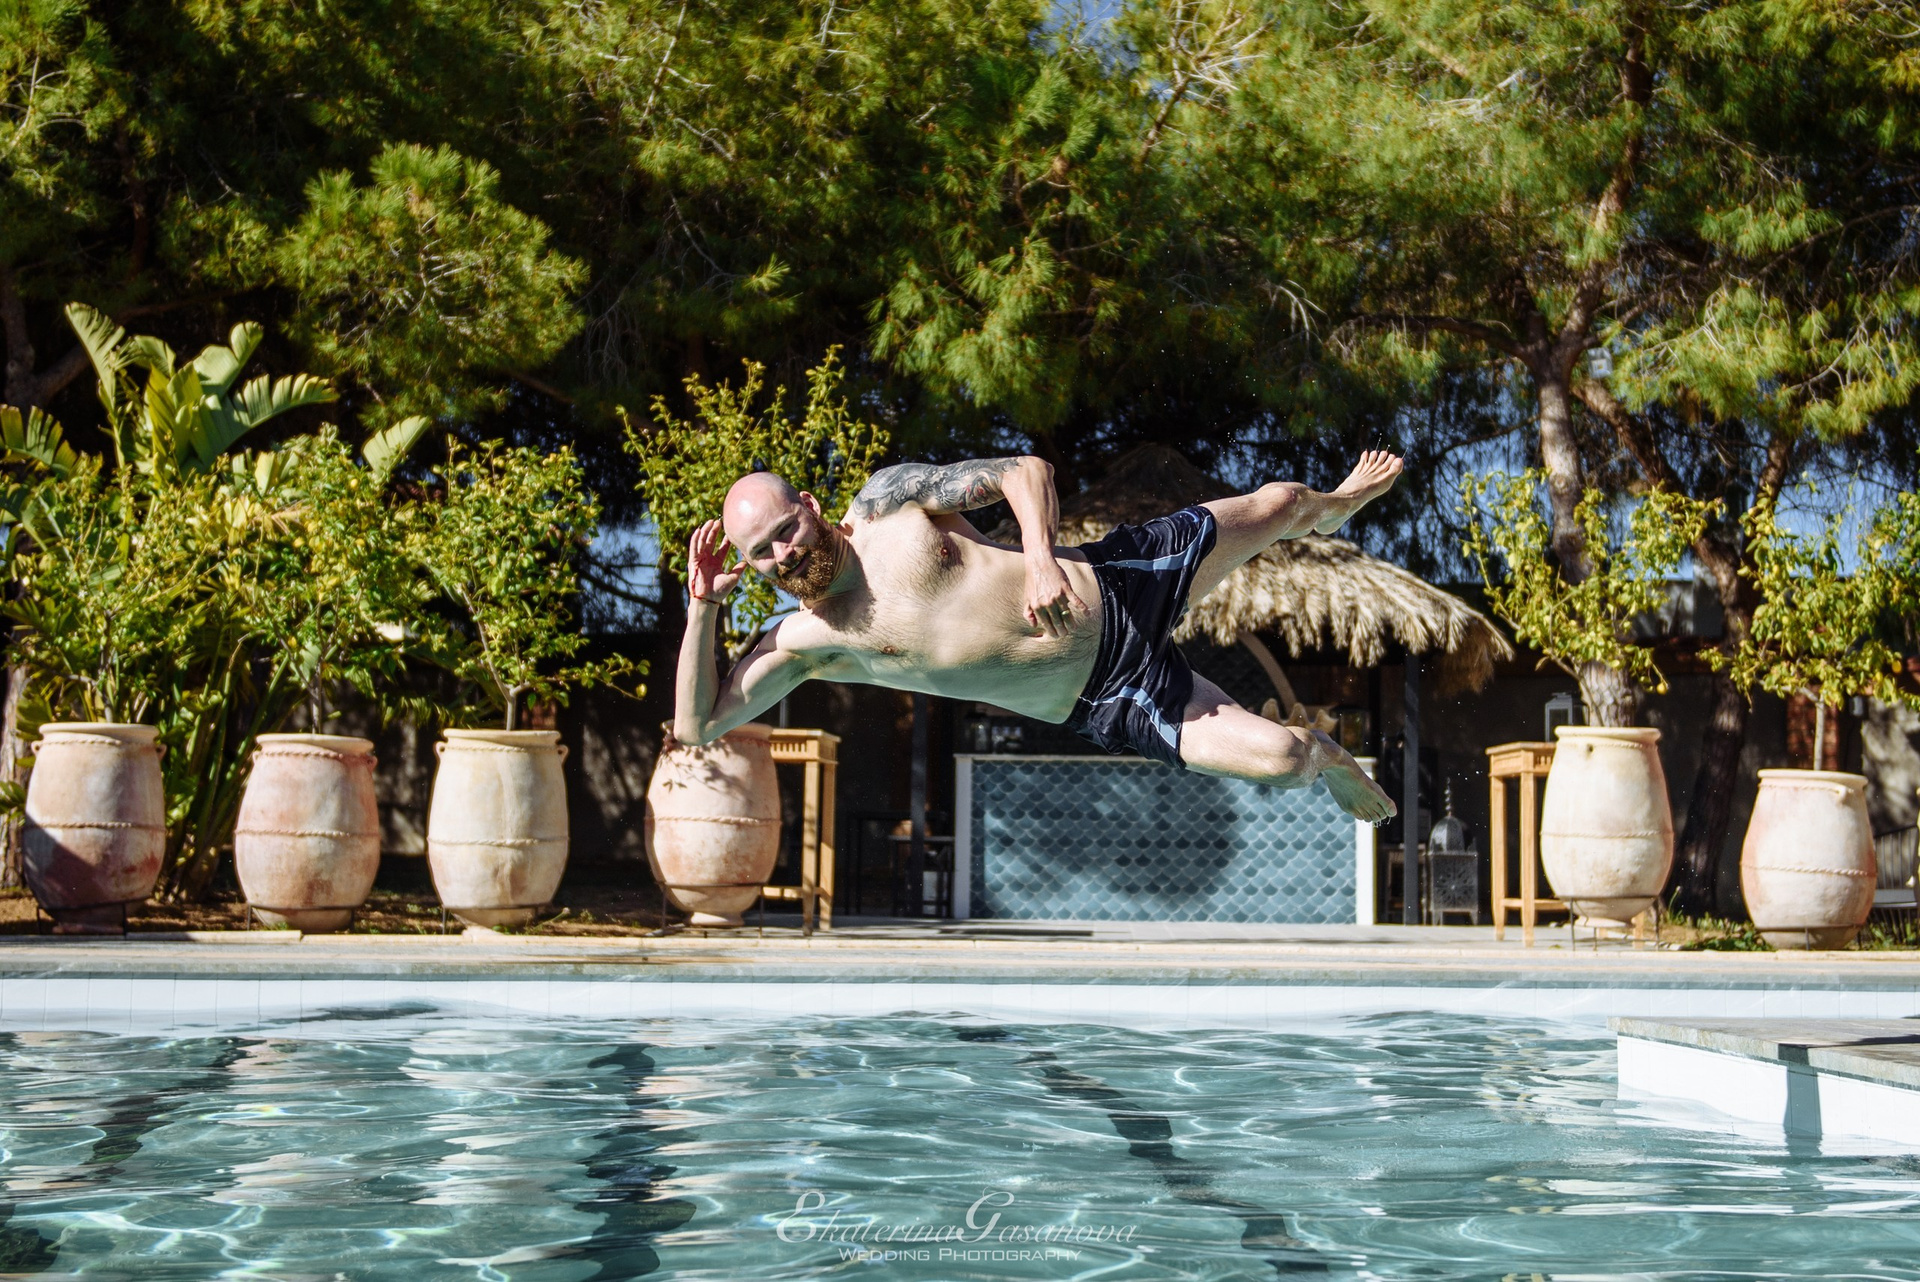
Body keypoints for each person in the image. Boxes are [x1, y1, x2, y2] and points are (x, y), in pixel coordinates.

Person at [673, 452, 1402, 823]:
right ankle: (1334, 758)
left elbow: (1026, 472)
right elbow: (696, 726)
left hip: (1119, 582)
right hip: (1112, 697)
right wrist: (701, 607)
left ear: (810, 505)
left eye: (787, 530)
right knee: (1285, 759)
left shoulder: (887, 504)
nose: (784, 554)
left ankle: (1334, 507)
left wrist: (1041, 561)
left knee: (1281, 503)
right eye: (762, 553)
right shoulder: (806, 642)